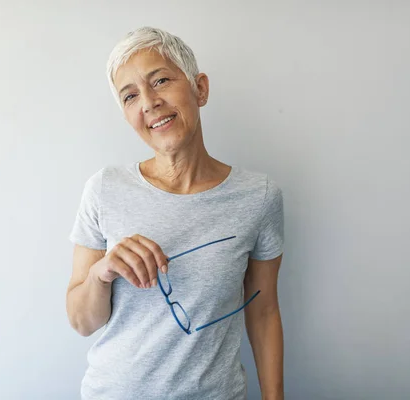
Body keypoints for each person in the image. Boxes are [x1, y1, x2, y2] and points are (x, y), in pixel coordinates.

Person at [66, 26, 284, 400]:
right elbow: (83, 322)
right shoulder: (104, 188)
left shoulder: (259, 197)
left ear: (200, 88)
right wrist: (102, 273)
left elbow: (263, 313)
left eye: (161, 80)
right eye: (130, 95)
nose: (149, 102)